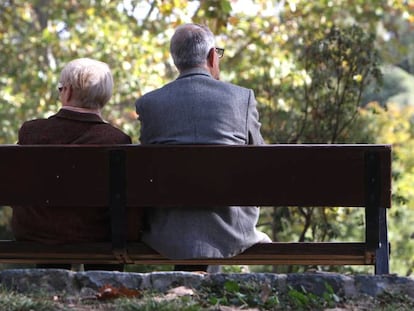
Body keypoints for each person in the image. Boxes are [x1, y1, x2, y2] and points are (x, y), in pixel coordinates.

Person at [135, 23, 271, 272]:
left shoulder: (149, 104)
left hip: (167, 231)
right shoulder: (241, 99)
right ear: (211, 57)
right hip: (230, 231)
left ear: (176, 60)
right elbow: (260, 163)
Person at [12, 57, 140, 271]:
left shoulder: (31, 132)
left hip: (38, 233)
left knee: (51, 223)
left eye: (60, 89)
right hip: (97, 234)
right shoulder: (116, 140)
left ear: (68, 92)